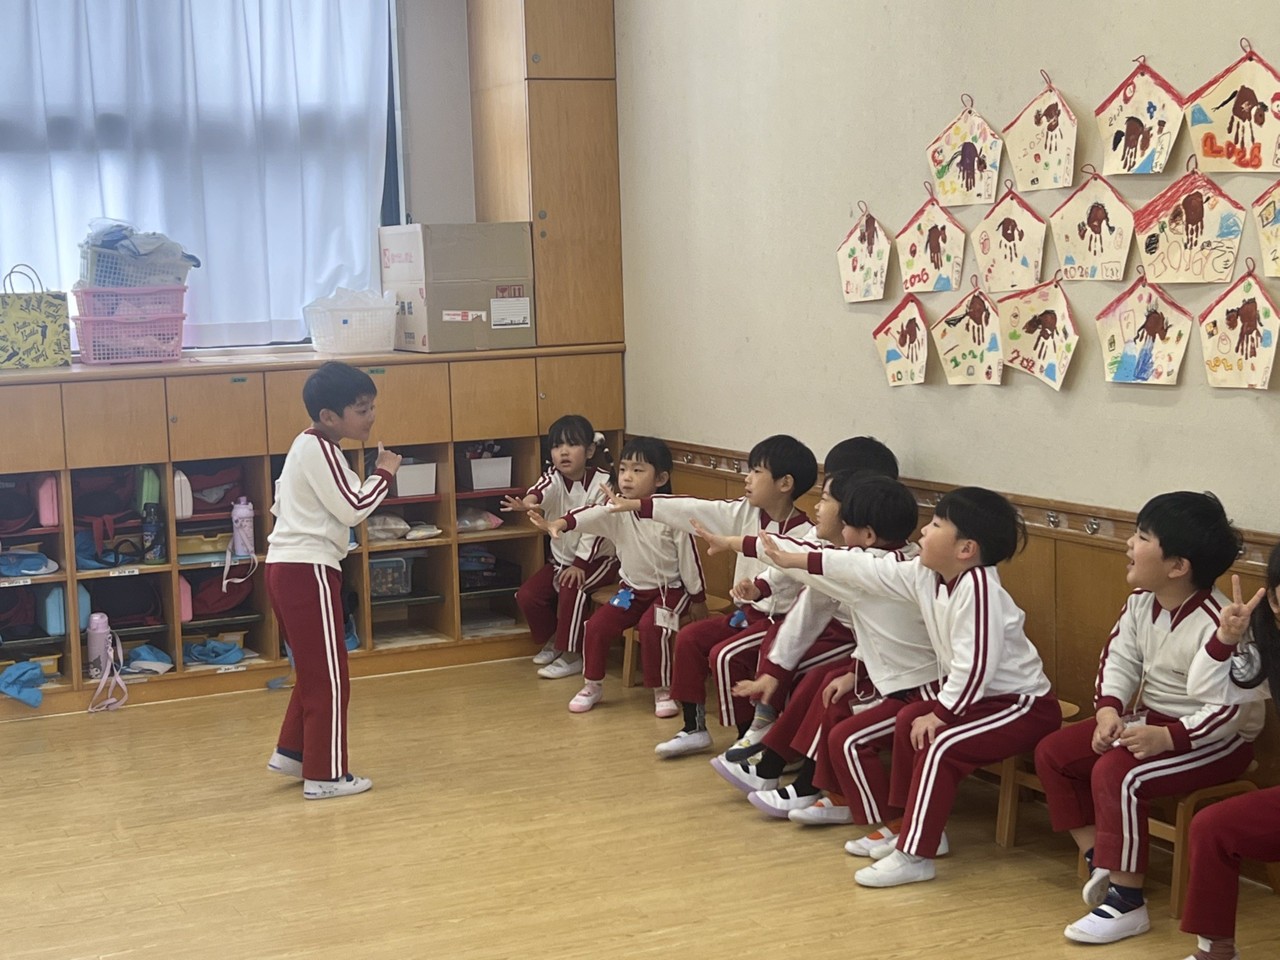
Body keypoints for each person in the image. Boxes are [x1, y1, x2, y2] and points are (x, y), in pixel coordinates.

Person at [760, 486, 1059, 887]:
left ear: (966, 549)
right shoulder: (926, 575)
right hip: (979, 700)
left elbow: (976, 667)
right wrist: (795, 559)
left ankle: (915, 855)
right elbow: (864, 568)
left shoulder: (981, 589)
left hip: (1021, 705)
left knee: (939, 745)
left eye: (936, 525)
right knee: (908, 721)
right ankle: (911, 829)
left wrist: (942, 715)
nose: (923, 532)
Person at [1033, 492, 1266, 945]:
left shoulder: (1223, 622)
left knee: (1119, 773)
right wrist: (1108, 710)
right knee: (1053, 753)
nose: (1129, 544)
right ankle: (1101, 860)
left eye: (1142, 537)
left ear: (1177, 565)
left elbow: (1230, 709)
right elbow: (1119, 659)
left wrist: (1170, 738)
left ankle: (1127, 902)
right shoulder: (1141, 601)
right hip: (1151, 721)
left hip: (1215, 740)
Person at [697, 475, 937, 843]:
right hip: (885, 674)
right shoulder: (895, 559)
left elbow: (805, 559)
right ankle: (835, 795)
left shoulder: (875, 568)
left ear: (867, 535)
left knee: (847, 733)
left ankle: (898, 825)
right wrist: (854, 672)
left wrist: (732, 543)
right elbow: (880, 633)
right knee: (833, 692)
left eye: (846, 522)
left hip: (917, 688)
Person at [607, 435, 817, 758]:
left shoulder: (805, 532)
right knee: (690, 637)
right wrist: (639, 505)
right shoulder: (745, 512)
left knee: (725, 654)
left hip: (778, 622)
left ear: (785, 483)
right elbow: (694, 508)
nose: (747, 478)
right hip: (745, 615)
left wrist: (758, 588)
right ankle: (694, 729)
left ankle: (748, 739)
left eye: (756, 472)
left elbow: (789, 578)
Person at [264, 361, 401, 799]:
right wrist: (385, 472)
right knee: (331, 678)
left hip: (288, 567)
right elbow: (353, 509)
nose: (371, 416)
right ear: (328, 416)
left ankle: (295, 752)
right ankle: (326, 776)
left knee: (313, 672)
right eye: (361, 410)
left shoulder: (308, 447)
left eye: (372, 407)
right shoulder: (320, 450)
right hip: (308, 570)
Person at [530, 437, 706, 714]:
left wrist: (698, 598)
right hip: (631, 591)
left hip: (670, 591)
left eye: (638, 470)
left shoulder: (672, 512)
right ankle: (592, 685)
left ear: (660, 478)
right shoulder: (616, 509)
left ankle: (662, 690)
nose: (627, 477)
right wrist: (560, 523)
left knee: (652, 627)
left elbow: (690, 561)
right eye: (623, 469)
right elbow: (591, 514)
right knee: (596, 626)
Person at [1177, 545, 1280, 960]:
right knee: (1213, 826)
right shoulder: (1270, 654)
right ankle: (1216, 949)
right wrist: (1226, 638)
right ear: (1275, 602)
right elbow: (1204, 688)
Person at [505, 415, 617, 679]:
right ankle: (556, 639)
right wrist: (528, 503)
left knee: (571, 587)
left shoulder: (604, 483)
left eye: (572, 445)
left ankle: (572, 654)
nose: (563, 452)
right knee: (527, 595)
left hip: (600, 561)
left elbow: (596, 527)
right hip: (561, 562)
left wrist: (580, 565)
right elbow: (540, 491)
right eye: (557, 446)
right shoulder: (553, 478)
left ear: (590, 450)